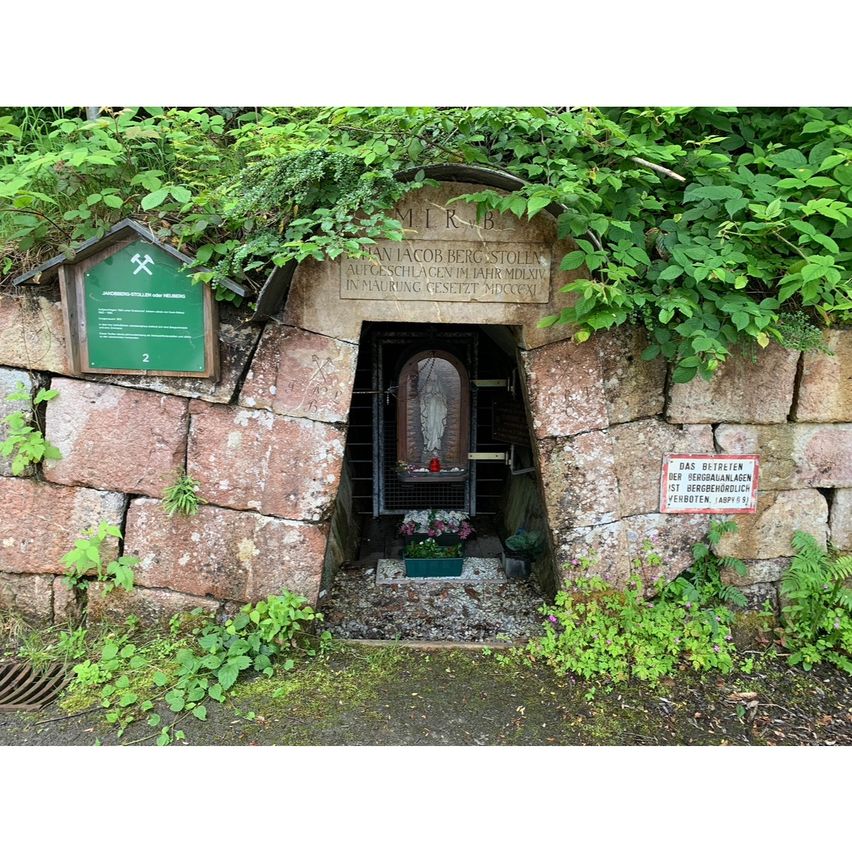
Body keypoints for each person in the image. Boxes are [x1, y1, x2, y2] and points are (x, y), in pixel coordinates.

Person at [419, 361, 447, 457]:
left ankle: (436, 446)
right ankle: (428, 445)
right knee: (429, 427)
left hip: (438, 412)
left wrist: (438, 397)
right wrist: (428, 397)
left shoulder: (440, 386)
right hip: (429, 412)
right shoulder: (426, 385)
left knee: (437, 427)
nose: (433, 376)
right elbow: (422, 398)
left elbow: (444, 398)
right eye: (431, 374)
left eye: (434, 374)